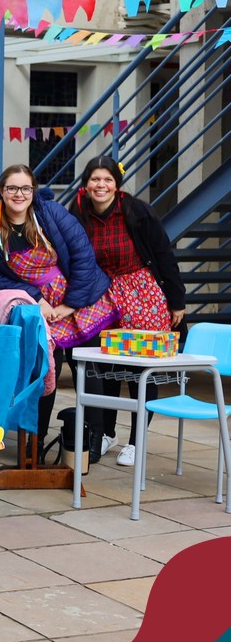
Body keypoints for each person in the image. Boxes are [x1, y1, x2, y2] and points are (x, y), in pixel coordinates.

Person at [0, 164, 117, 451]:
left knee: (87, 366)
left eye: (25, 188)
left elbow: (83, 256)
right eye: (12, 188)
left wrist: (70, 304)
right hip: (36, 305)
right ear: (1, 190)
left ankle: (94, 438)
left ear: (34, 190)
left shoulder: (52, 213)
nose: (19, 194)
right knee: (44, 367)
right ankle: (36, 441)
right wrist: (36, 298)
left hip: (77, 296)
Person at [71, 155, 185, 468]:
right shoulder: (78, 213)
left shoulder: (137, 211)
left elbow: (163, 254)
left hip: (141, 293)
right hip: (104, 296)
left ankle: (136, 440)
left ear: (117, 184)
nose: (101, 185)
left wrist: (176, 300)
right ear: (86, 184)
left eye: (107, 179)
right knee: (107, 366)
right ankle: (107, 432)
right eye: (95, 179)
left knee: (140, 369)